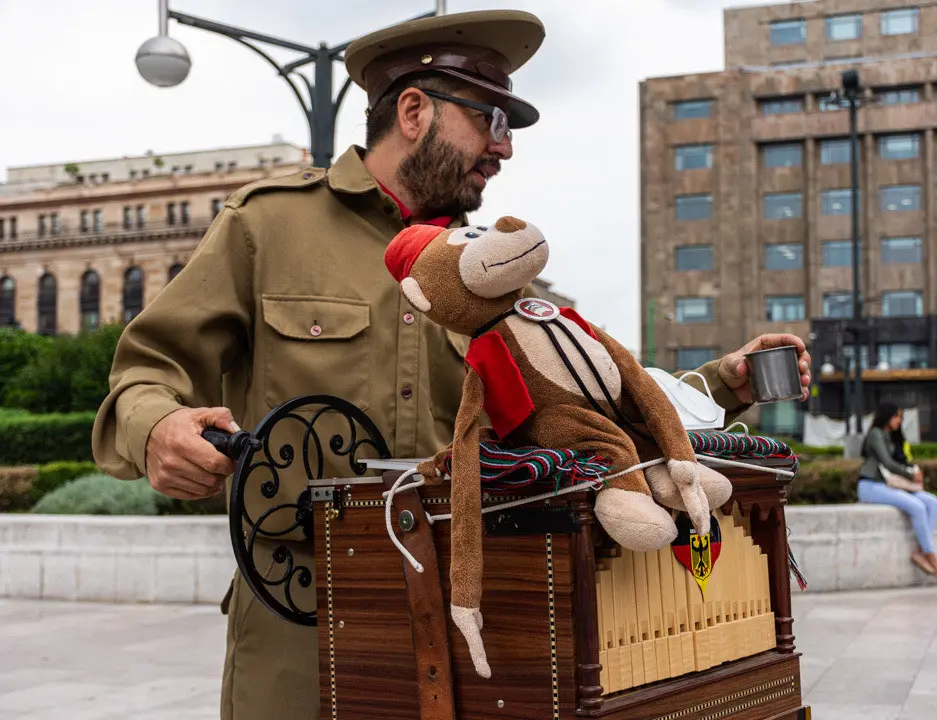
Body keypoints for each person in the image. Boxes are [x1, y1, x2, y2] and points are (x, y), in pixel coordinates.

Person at [90, 10, 813, 720]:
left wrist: (724, 382)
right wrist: (157, 428)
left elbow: (589, 400)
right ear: (413, 111)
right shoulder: (267, 225)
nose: (505, 150)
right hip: (299, 619)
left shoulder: (488, 274)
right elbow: (146, 370)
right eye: (492, 122)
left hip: (476, 622)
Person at [858, 402, 937, 583]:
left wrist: (911, 471)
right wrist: (911, 474)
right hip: (870, 486)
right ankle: (932, 558)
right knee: (917, 507)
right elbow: (887, 463)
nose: (899, 421)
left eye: (901, 417)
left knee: (931, 502)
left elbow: (897, 461)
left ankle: (920, 551)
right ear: (887, 416)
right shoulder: (876, 434)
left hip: (887, 485)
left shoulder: (888, 435)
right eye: (897, 416)